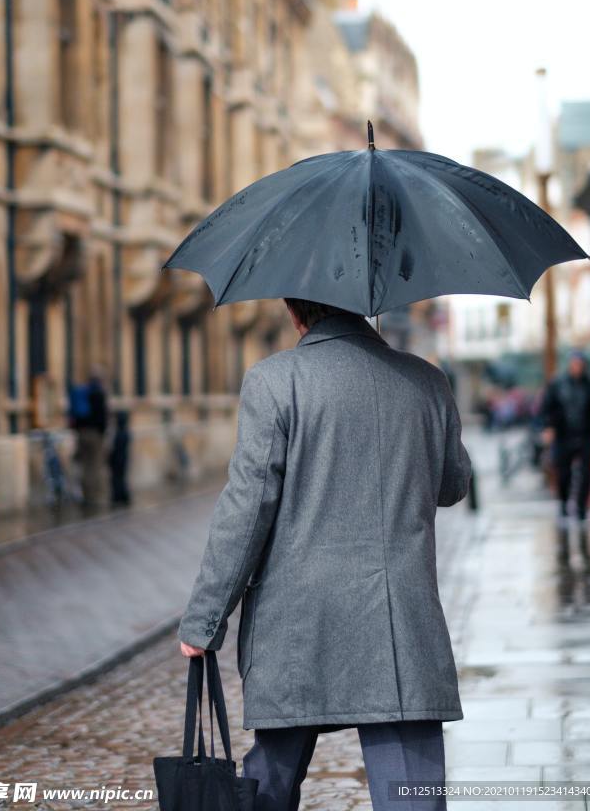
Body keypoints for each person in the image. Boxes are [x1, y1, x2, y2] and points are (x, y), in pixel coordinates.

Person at [177, 300, 472, 811]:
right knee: (411, 796)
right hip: (399, 624)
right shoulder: (427, 381)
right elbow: (453, 485)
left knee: (269, 786)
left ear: (296, 313)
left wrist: (205, 621)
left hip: (298, 625)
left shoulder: (275, 381)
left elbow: (247, 509)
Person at [540, 349, 590, 523]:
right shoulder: (558, 383)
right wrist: (548, 427)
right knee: (564, 473)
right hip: (563, 435)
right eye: (574, 364)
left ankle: (581, 508)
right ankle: (564, 504)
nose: (576, 367)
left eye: (579, 364)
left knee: (586, 473)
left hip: (585, 435)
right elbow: (547, 407)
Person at [68, 370, 109, 508]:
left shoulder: (83, 393)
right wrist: (102, 433)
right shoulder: (99, 394)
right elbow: (102, 418)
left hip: (81, 433)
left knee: (84, 465)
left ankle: (84, 495)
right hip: (95, 434)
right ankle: (92, 497)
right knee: (94, 465)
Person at [109, 410, 131, 507]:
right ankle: (122, 496)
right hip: (122, 459)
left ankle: (119, 496)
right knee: (120, 478)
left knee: (118, 479)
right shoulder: (125, 432)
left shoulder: (120, 433)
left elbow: (115, 448)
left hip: (118, 459)